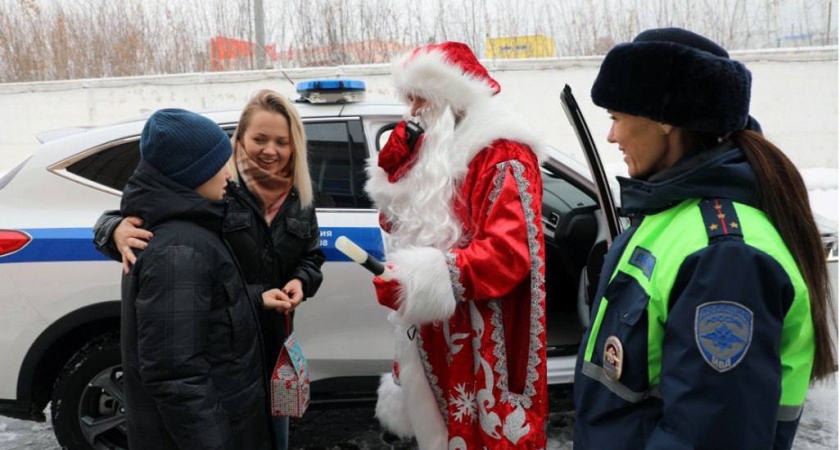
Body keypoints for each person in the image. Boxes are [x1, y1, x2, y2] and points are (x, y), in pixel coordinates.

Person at [573, 28, 836, 450]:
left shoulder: (725, 256)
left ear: (663, 119)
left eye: (616, 118)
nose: (612, 136)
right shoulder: (671, 216)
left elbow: (713, 435)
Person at [94, 91, 325, 450]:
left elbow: (311, 255)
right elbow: (150, 224)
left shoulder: (300, 196)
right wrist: (113, 229)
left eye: (281, 141)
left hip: (271, 341)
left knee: (270, 431)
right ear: (240, 139)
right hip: (221, 345)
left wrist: (301, 280)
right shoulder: (214, 188)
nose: (270, 150)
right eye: (259, 139)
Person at [365, 42, 548, 449]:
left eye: (420, 98)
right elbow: (399, 220)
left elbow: (508, 254)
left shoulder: (503, 154)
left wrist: (423, 278)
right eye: (408, 99)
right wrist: (398, 169)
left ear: (452, 98)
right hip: (438, 336)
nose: (412, 111)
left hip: (484, 339)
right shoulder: (437, 149)